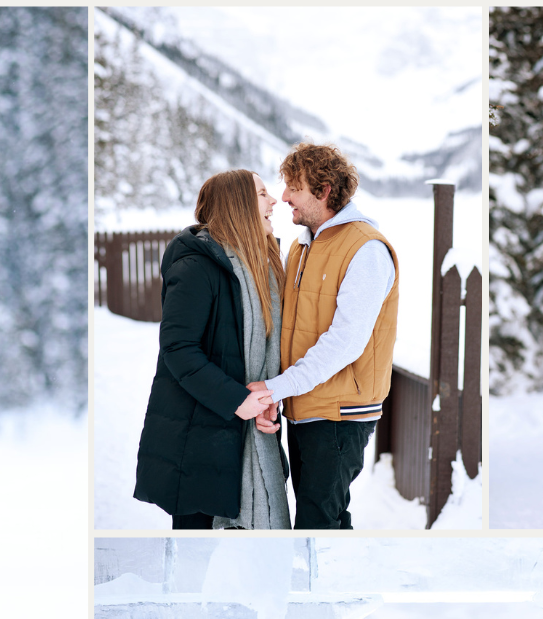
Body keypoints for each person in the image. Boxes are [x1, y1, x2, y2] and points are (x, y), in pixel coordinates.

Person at [244, 141, 400, 530]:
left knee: (319, 522)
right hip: (306, 407)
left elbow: (345, 342)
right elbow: (289, 330)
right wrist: (279, 394)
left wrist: (278, 388)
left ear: (324, 190)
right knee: (319, 518)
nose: (284, 197)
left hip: (339, 415)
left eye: (293, 187)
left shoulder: (365, 249)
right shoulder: (302, 246)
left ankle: (325, 591)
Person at [133, 169, 290, 529]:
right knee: (195, 564)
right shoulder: (196, 266)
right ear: (239, 205)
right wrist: (239, 400)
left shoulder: (261, 267)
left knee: (243, 570)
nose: (274, 201)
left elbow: (256, 355)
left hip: (237, 435)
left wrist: (266, 401)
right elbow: (178, 349)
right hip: (196, 443)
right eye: (263, 194)